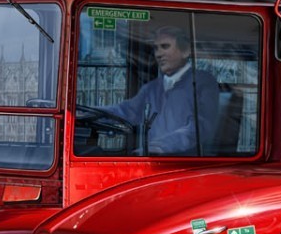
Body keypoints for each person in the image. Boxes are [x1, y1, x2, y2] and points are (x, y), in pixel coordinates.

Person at [77, 26, 218, 156]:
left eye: (165, 47)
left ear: (185, 50)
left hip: (182, 164)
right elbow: (126, 111)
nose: (159, 54)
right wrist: (90, 113)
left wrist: (161, 147)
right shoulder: (153, 87)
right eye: (156, 48)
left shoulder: (203, 82)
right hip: (150, 158)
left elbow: (201, 127)